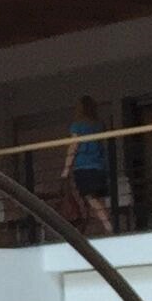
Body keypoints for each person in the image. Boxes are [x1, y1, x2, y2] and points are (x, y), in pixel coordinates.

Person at [64, 97, 114, 235]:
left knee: (89, 197)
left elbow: (74, 146)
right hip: (99, 165)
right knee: (95, 198)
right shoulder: (98, 125)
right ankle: (102, 224)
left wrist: (66, 168)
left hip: (84, 166)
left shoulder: (78, 126)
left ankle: (107, 225)